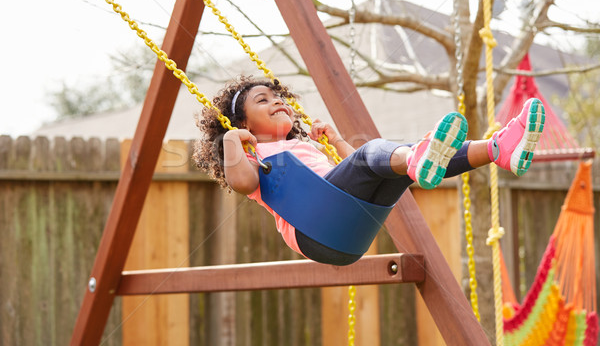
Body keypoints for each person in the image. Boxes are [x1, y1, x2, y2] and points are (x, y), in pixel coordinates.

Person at [193, 75, 545, 265]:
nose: (278, 102)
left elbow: (355, 167)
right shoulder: (257, 155)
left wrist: (337, 139)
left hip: (347, 230)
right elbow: (241, 183)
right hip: (315, 229)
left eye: (278, 97)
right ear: (242, 122)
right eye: (263, 100)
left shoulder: (308, 148)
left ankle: (499, 150)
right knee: (380, 152)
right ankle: (416, 158)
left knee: (391, 164)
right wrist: (231, 141)